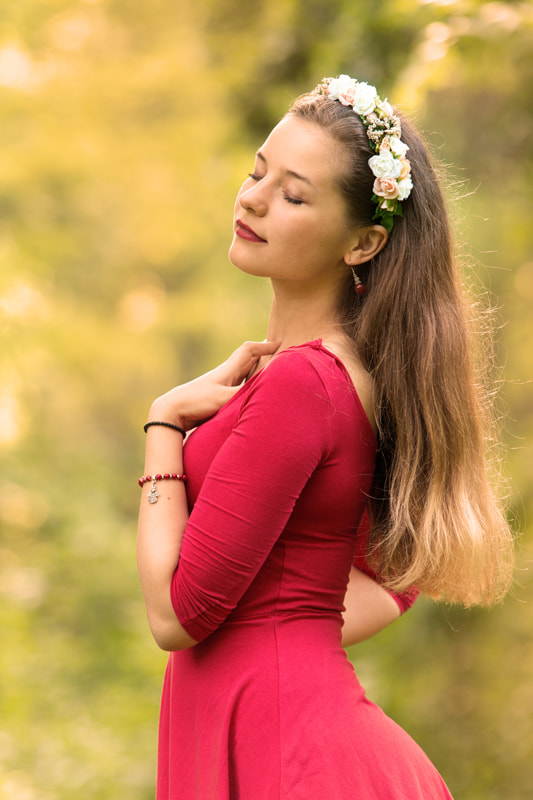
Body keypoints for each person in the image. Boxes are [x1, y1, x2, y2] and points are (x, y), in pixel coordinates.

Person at [137, 74, 514, 799]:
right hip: (279, 728)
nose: (251, 199)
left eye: (294, 195)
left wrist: (161, 427)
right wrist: (285, 621)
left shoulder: (303, 384)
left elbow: (174, 614)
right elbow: (397, 572)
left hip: (296, 755)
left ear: (363, 242)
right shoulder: (327, 376)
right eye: (257, 173)